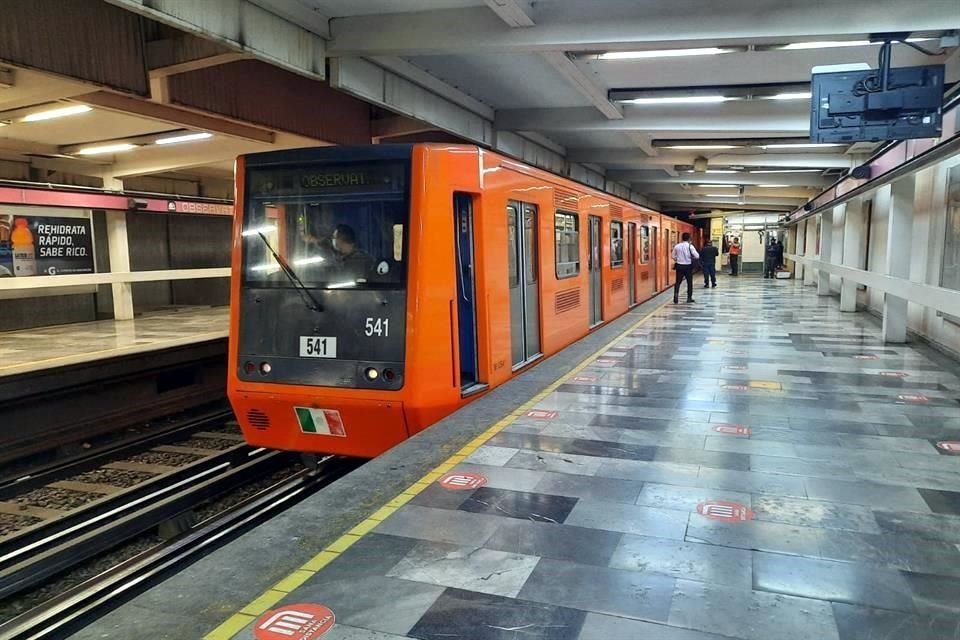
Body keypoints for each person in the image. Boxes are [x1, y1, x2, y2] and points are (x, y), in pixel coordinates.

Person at [672, 231, 699, 304]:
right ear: (689, 238)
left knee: (678, 282)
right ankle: (689, 298)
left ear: (682, 238)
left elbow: (673, 256)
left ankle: (676, 295)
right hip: (688, 266)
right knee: (689, 282)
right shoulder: (690, 246)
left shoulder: (677, 246)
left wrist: (678, 259)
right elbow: (697, 256)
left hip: (679, 266)